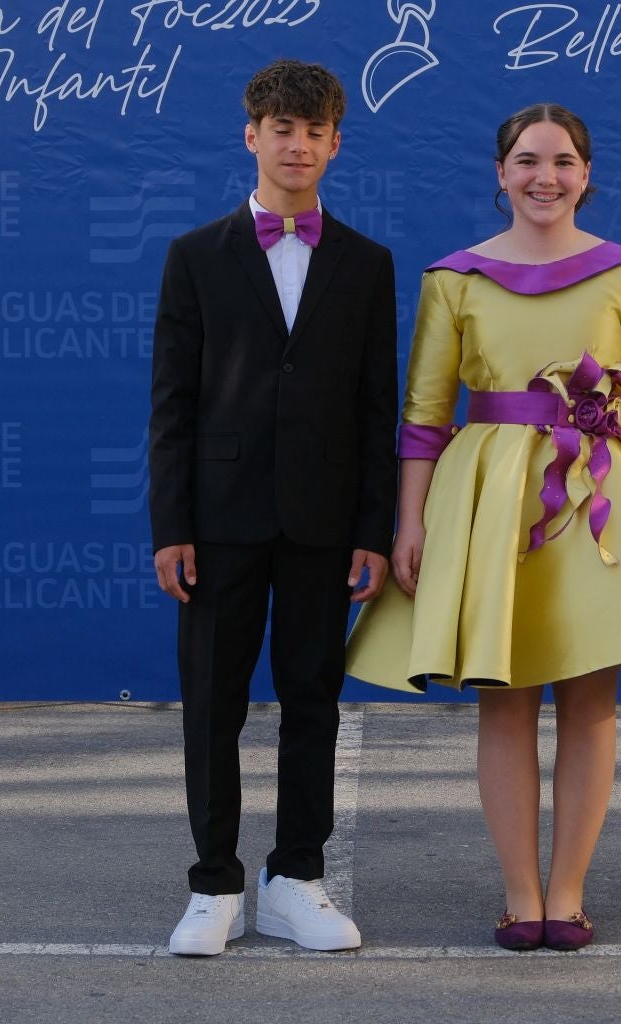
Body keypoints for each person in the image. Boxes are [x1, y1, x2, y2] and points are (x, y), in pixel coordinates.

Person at [346, 102, 621, 952]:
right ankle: (519, 895)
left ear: (586, 174)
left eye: (564, 161)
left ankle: (567, 895)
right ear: (500, 174)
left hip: (600, 495)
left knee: (590, 699)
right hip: (490, 504)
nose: (547, 177)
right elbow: (424, 417)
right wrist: (409, 523)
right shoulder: (453, 277)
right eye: (529, 161)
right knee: (503, 703)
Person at [149, 59, 397, 956]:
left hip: (323, 524)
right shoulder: (194, 256)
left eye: (314, 131)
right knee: (212, 704)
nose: (297, 145)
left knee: (313, 700)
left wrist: (372, 529)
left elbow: (377, 407)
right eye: (281, 129)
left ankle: (295, 877)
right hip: (217, 522)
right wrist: (171, 526)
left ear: (336, 144)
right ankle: (214, 883)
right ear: (251, 136)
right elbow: (172, 403)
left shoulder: (367, 264)